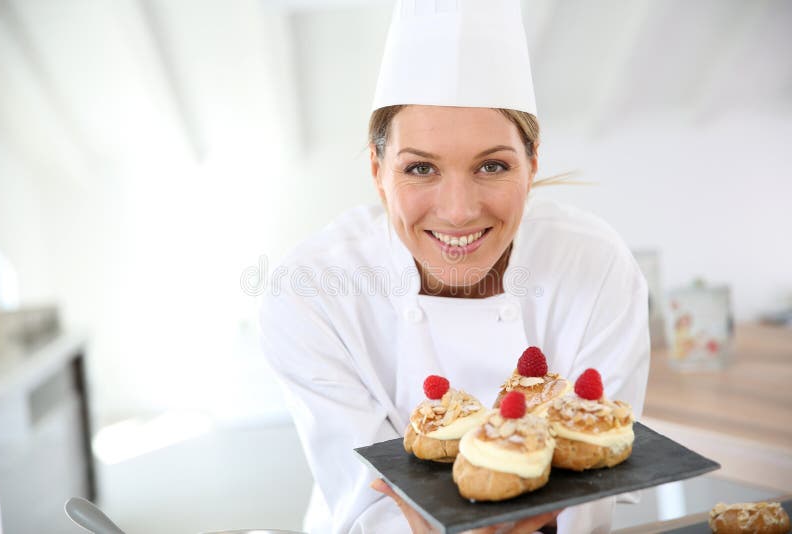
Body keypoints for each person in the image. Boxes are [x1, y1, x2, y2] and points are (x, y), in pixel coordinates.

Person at [258, 1, 649, 532]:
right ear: (377, 171)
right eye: (420, 168)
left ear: (532, 164)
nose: (459, 210)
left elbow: (599, 470)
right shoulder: (309, 291)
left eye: (492, 165)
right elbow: (368, 501)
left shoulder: (596, 265)